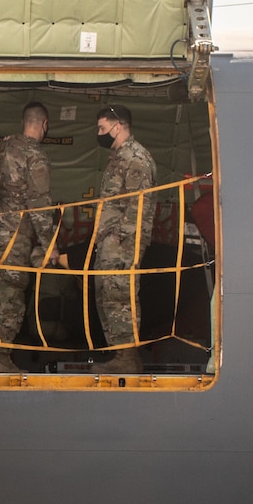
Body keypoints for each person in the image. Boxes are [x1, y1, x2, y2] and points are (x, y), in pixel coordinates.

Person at [0, 103, 61, 375]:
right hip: (17, 237)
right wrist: (49, 243)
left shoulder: (1, 148)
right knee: (12, 297)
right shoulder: (35, 155)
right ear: (44, 124)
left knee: (0, 292)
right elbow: (39, 204)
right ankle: (1, 358)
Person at [93, 104, 157, 373]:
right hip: (111, 242)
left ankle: (126, 358)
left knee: (119, 296)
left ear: (117, 126)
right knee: (108, 296)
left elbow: (137, 206)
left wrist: (121, 241)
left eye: (102, 127)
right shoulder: (119, 157)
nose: (99, 132)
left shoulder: (135, 158)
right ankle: (123, 355)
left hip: (122, 244)